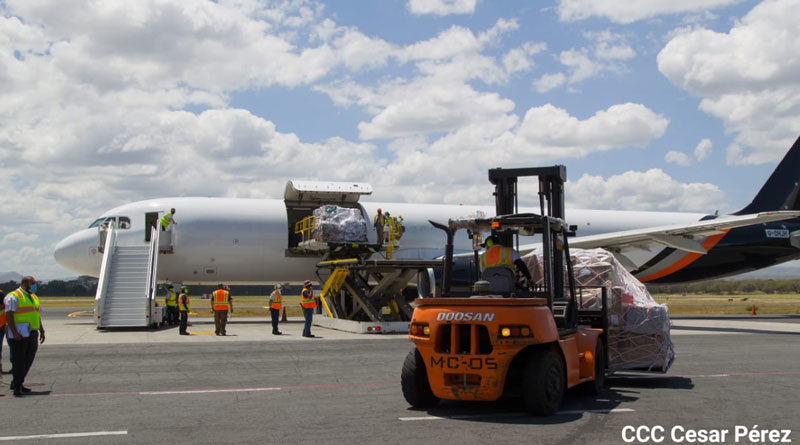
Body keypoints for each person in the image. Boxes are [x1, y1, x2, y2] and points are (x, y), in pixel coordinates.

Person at [4, 276, 46, 397]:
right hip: (19, 333)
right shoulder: (13, 296)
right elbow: (9, 316)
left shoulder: (33, 296)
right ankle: (17, 386)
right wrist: (15, 332)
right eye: (32, 283)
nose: (34, 285)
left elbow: (36, 314)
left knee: (28, 359)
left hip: (32, 332)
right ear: (23, 283)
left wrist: (41, 330)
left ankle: (18, 382)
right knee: (19, 361)